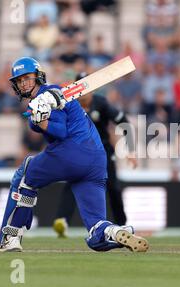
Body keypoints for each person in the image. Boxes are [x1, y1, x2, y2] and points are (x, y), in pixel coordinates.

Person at [0, 57, 148, 252]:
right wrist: (39, 119)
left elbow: (60, 131)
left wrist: (44, 117)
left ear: (38, 76)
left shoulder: (52, 93)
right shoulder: (36, 111)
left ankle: (10, 237)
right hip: (96, 160)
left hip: (72, 152)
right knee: (95, 230)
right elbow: (49, 121)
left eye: (27, 77)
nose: (23, 82)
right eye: (19, 80)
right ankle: (112, 231)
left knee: (25, 175)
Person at [53, 72, 137, 238]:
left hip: (103, 154)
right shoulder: (68, 105)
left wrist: (131, 150)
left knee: (113, 188)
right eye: (80, 87)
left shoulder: (101, 103)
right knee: (72, 185)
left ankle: (122, 225)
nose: (84, 92)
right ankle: (62, 222)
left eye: (87, 87)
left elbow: (124, 122)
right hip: (78, 154)